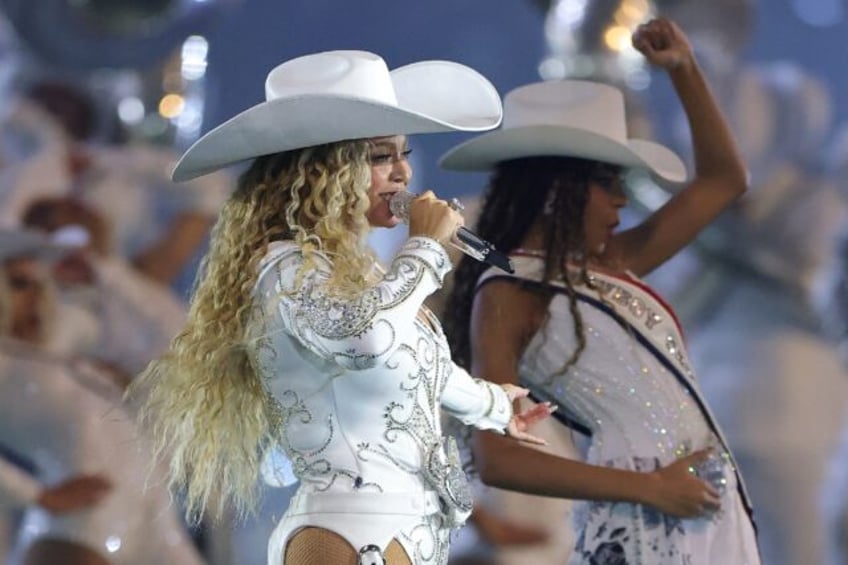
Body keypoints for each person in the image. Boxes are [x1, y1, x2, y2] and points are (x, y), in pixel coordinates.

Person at [127, 50, 553, 565]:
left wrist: (500, 407)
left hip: (416, 533)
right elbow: (362, 342)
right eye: (379, 156)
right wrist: (424, 250)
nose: (402, 173)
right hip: (344, 531)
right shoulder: (283, 268)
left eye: (403, 153)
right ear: (324, 169)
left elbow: (423, 372)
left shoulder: (371, 278)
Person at [440, 18, 760, 564]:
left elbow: (724, 180)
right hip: (644, 515)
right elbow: (496, 457)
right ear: (554, 190)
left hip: (703, 503)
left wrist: (684, 71)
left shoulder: (611, 262)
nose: (620, 202)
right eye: (606, 183)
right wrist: (651, 489)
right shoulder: (510, 290)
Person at [0, 227, 206, 565]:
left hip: (158, 531)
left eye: (41, 283)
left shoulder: (65, 354)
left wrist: (106, 273)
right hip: (78, 532)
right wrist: (38, 495)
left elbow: (181, 345)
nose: (36, 296)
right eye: (19, 283)